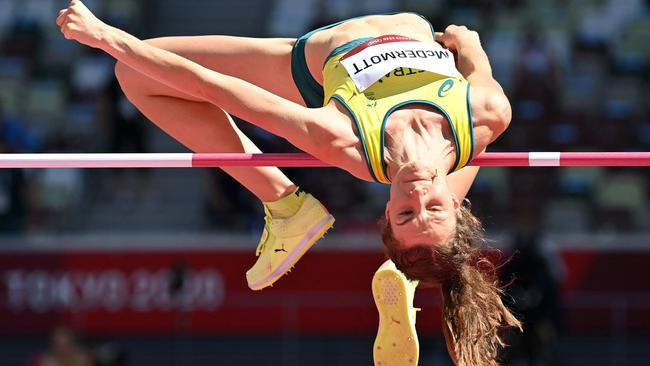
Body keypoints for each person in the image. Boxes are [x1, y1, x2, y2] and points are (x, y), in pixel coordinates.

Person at [57, 1, 520, 363]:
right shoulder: (486, 114)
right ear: (457, 206)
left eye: (404, 212)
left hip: (312, 61)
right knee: (469, 156)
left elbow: (211, 87)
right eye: (432, 209)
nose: (417, 194)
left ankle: (283, 201)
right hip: (425, 62)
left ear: (385, 213)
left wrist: (108, 37)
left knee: (132, 72)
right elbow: (477, 63)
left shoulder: (344, 141)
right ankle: (410, 270)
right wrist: (468, 40)